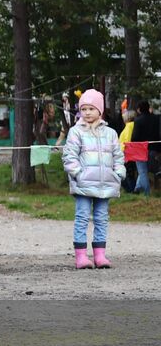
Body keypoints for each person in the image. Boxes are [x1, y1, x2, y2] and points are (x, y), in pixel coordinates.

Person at [63, 88, 124, 270]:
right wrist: (77, 173)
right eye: (84, 109)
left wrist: (118, 173)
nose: (87, 112)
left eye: (91, 108)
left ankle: (100, 255)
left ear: (100, 110)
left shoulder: (111, 133)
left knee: (101, 218)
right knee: (82, 217)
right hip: (83, 184)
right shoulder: (76, 132)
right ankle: (81, 256)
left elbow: (118, 156)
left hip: (106, 184)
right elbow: (69, 156)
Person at [133, 100, 159, 196]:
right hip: (154, 148)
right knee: (145, 170)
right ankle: (137, 188)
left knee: (142, 171)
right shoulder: (156, 118)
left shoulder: (138, 120)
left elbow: (135, 137)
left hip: (141, 148)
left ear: (139, 109)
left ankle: (147, 193)